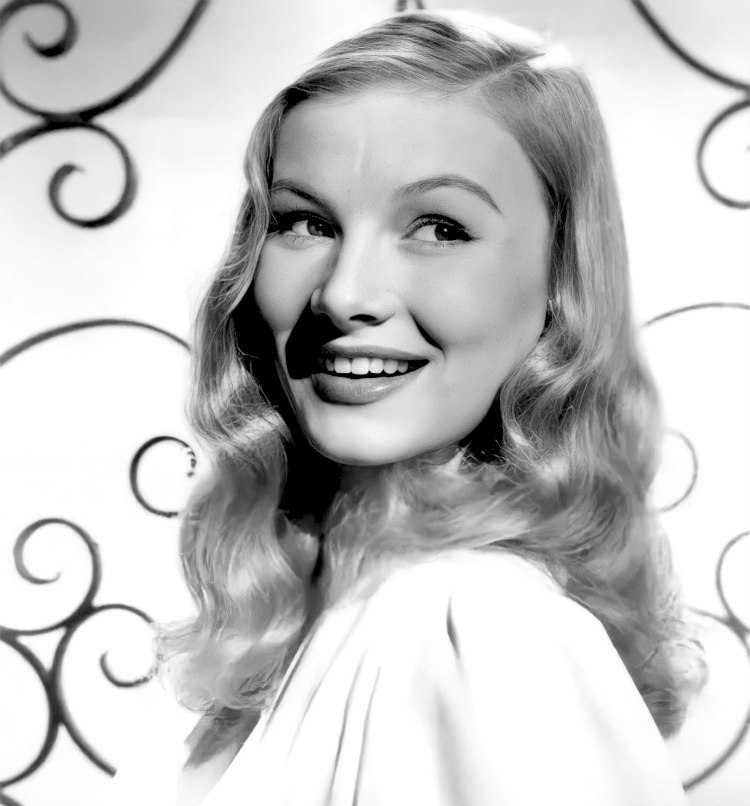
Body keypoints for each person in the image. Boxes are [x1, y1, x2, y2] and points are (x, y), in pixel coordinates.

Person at [112, 9, 706, 805]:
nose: (344, 293)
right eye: (304, 222)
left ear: (560, 278)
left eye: (439, 228)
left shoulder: (478, 630)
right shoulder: (303, 622)